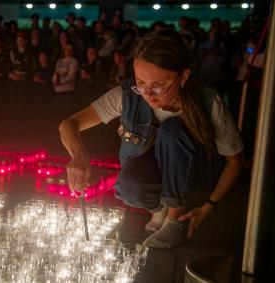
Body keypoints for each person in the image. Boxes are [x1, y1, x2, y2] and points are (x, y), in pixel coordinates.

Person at [59, 29, 244, 249]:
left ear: (183, 76)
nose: (148, 94)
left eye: (159, 85)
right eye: (141, 83)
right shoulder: (128, 94)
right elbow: (69, 124)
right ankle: (160, 210)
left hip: (194, 184)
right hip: (150, 181)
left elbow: (236, 161)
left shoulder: (208, 103)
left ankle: (174, 220)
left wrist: (209, 206)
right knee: (128, 187)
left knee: (172, 129)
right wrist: (79, 156)